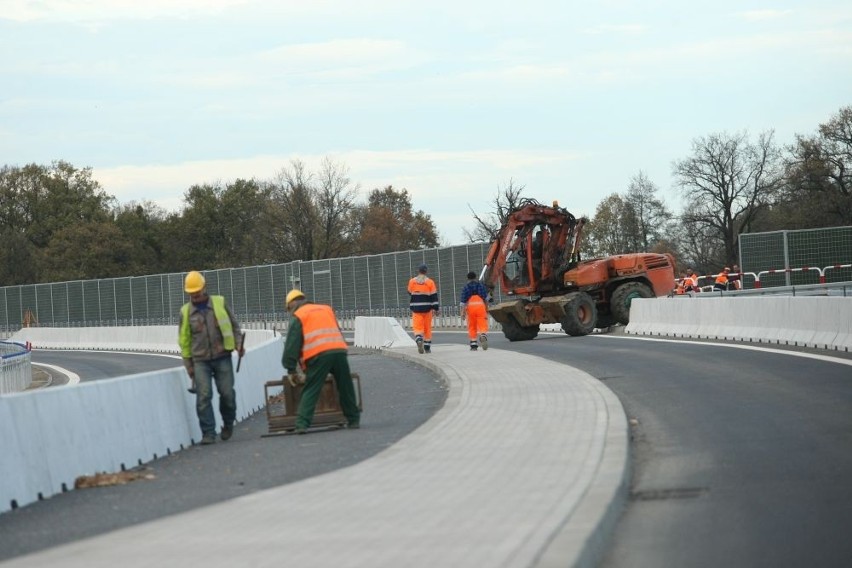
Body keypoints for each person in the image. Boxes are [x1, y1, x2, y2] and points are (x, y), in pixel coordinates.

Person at [178, 270, 245, 445]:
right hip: (200, 361)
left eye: (197, 291)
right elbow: (184, 341)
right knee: (203, 397)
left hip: (223, 356)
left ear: (204, 287)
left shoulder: (219, 303)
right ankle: (208, 433)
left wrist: (238, 345)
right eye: (191, 292)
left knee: (227, 394)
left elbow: (234, 327)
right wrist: (189, 366)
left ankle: (228, 424)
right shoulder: (185, 312)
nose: (195, 295)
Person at [282, 289, 360, 434]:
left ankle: (301, 424)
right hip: (339, 350)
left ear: (292, 303)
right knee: (345, 386)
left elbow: (292, 344)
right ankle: (353, 419)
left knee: (312, 387)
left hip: (319, 354)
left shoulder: (299, 315)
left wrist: (291, 369)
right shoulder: (326, 309)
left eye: (288, 309)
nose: (289, 312)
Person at [408, 263, 439, 354]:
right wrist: (436, 308)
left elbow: (409, 292)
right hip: (427, 309)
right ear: (426, 271)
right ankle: (427, 347)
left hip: (416, 308)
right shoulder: (430, 282)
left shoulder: (412, 281)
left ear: (419, 271)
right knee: (427, 328)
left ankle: (418, 339)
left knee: (417, 327)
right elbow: (434, 296)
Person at [459, 271, 490, 351]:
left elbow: (463, 302)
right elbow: (486, 299)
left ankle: (473, 345)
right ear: (475, 277)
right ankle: (483, 335)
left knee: (472, 326)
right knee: (482, 323)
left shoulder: (466, 287)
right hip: (480, 307)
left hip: (470, 308)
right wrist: (486, 308)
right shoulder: (480, 285)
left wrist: (462, 313)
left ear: (468, 279)